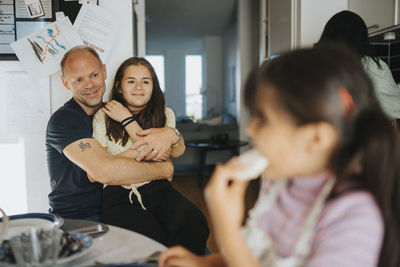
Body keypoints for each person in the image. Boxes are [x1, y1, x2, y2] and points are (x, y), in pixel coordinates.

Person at [158, 46, 400, 267]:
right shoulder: (282, 184)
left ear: (316, 138)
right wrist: (204, 264)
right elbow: (255, 256)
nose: (251, 129)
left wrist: (227, 231)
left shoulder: (355, 221)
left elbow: (239, 251)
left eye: (262, 119)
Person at [91, 57, 209, 255]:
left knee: (194, 222)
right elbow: (103, 166)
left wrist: (126, 120)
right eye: (131, 81)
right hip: (118, 194)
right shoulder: (103, 116)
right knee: (149, 240)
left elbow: (162, 153)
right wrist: (147, 153)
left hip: (157, 187)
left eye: (146, 81)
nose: (139, 87)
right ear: (119, 86)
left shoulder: (165, 114)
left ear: (153, 87)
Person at [46, 46, 176, 221]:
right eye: (78, 80)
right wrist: (163, 169)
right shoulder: (64, 120)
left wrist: (170, 133)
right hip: (80, 218)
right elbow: (103, 172)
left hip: (125, 205)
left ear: (104, 72)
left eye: (94, 75)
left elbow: (163, 148)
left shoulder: (115, 112)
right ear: (65, 82)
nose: (89, 85)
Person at [316, 10, 400, 125]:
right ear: (362, 36)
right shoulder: (370, 65)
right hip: (359, 136)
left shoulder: (316, 63)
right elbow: (393, 107)